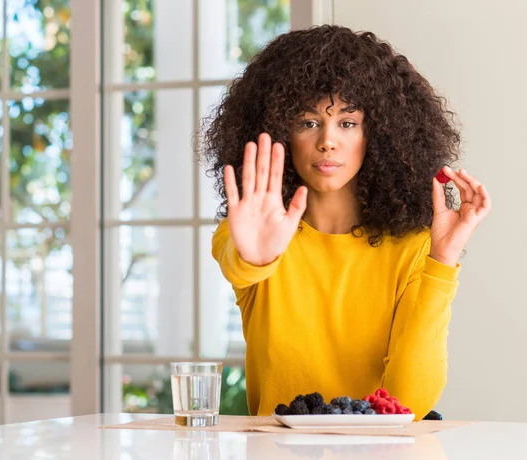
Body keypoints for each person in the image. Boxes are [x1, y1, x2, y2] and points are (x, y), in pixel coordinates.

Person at [199, 24, 491, 420]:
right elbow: (239, 262)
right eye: (308, 122)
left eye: (347, 123)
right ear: (280, 130)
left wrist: (442, 260)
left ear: (380, 133)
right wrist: (256, 259)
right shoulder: (255, 235)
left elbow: (411, 402)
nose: (327, 141)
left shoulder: (413, 245)